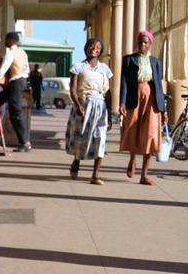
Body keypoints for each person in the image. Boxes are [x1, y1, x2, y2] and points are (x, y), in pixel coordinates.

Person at [120, 30, 167, 185]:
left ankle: (144, 175)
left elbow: (159, 86)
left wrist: (163, 110)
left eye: (145, 42)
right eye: (140, 42)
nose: (142, 45)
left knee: (151, 134)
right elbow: (124, 82)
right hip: (134, 97)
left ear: (150, 44)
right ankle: (132, 159)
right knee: (132, 129)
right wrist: (122, 102)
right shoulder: (128, 60)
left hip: (151, 98)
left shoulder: (155, 61)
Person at [66, 38, 112, 184]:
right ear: (86, 48)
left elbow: (108, 93)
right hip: (83, 105)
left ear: (101, 51)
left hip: (100, 107)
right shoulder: (78, 67)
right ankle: (76, 161)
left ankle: (95, 175)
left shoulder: (104, 69)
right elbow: (72, 88)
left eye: (98, 47)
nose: (94, 49)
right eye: (91, 46)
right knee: (81, 137)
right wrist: (77, 104)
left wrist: (110, 115)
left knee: (101, 139)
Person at [0, 32, 32, 152]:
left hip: (14, 83)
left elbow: (1, 71)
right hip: (22, 81)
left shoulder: (10, 53)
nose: (5, 42)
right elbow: (27, 69)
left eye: (6, 40)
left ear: (11, 40)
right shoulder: (23, 52)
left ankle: (25, 143)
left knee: (15, 112)